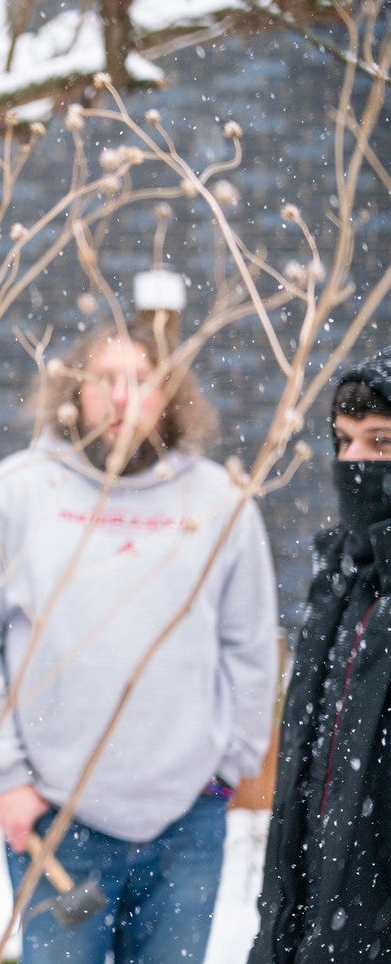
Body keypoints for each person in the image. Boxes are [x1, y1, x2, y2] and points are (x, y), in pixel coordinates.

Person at [0, 319, 278, 963]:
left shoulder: (219, 503)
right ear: (73, 390)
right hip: (56, 821)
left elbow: (251, 645)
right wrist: (2, 777)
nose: (122, 397)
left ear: (170, 394)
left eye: (142, 380)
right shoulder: (18, 493)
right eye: (105, 379)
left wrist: (226, 770)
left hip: (187, 821)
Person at [250, 346, 391, 962]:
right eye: (344, 441)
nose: (354, 461)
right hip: (316, 898)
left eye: (380, 443)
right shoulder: (340, 573)